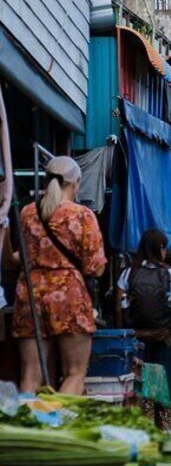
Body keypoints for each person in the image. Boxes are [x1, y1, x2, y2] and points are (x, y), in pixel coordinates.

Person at [13, 156, 107, 394]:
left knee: (30, 373)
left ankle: (27, 429)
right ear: (75, 183)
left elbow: (20, 255)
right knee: (74, 372)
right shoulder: (83, 215)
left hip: (30, 294)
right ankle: (60, 425)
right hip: (68, 295)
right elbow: (96, 268)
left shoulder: (27, 213)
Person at [116, 229, 171, 429]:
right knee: (169, 387)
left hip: (136, 343)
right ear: (161, 248)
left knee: (141, 386)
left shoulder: (128, 274)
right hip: (166, 341)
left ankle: (143, 428)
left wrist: (126, 333)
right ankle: (170, 429)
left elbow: (118, 308)